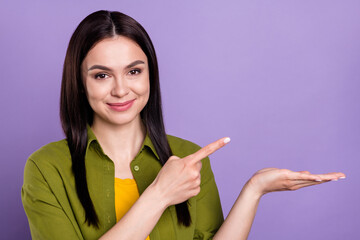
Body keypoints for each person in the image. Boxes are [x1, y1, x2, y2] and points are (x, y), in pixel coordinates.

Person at [21, 10, 345, 240]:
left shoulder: (189, 158)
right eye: (102, 75)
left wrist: (254, 190)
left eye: (134, 71)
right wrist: (160, 195)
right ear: (79, 82)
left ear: (150, 76)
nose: (121, 89)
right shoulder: (46, 168)